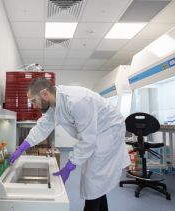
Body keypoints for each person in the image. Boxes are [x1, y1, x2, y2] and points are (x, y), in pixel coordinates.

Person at [9, 77, 130, 211]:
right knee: (96, 181)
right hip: (97, 133)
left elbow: (88, 139)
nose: (33, 105)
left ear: (44, 94)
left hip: (108, 132)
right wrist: (22, 147)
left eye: (33, 100)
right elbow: (42, 127)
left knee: (93, 180)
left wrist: (69, 166)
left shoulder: (77, 100)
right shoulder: (54, 104)